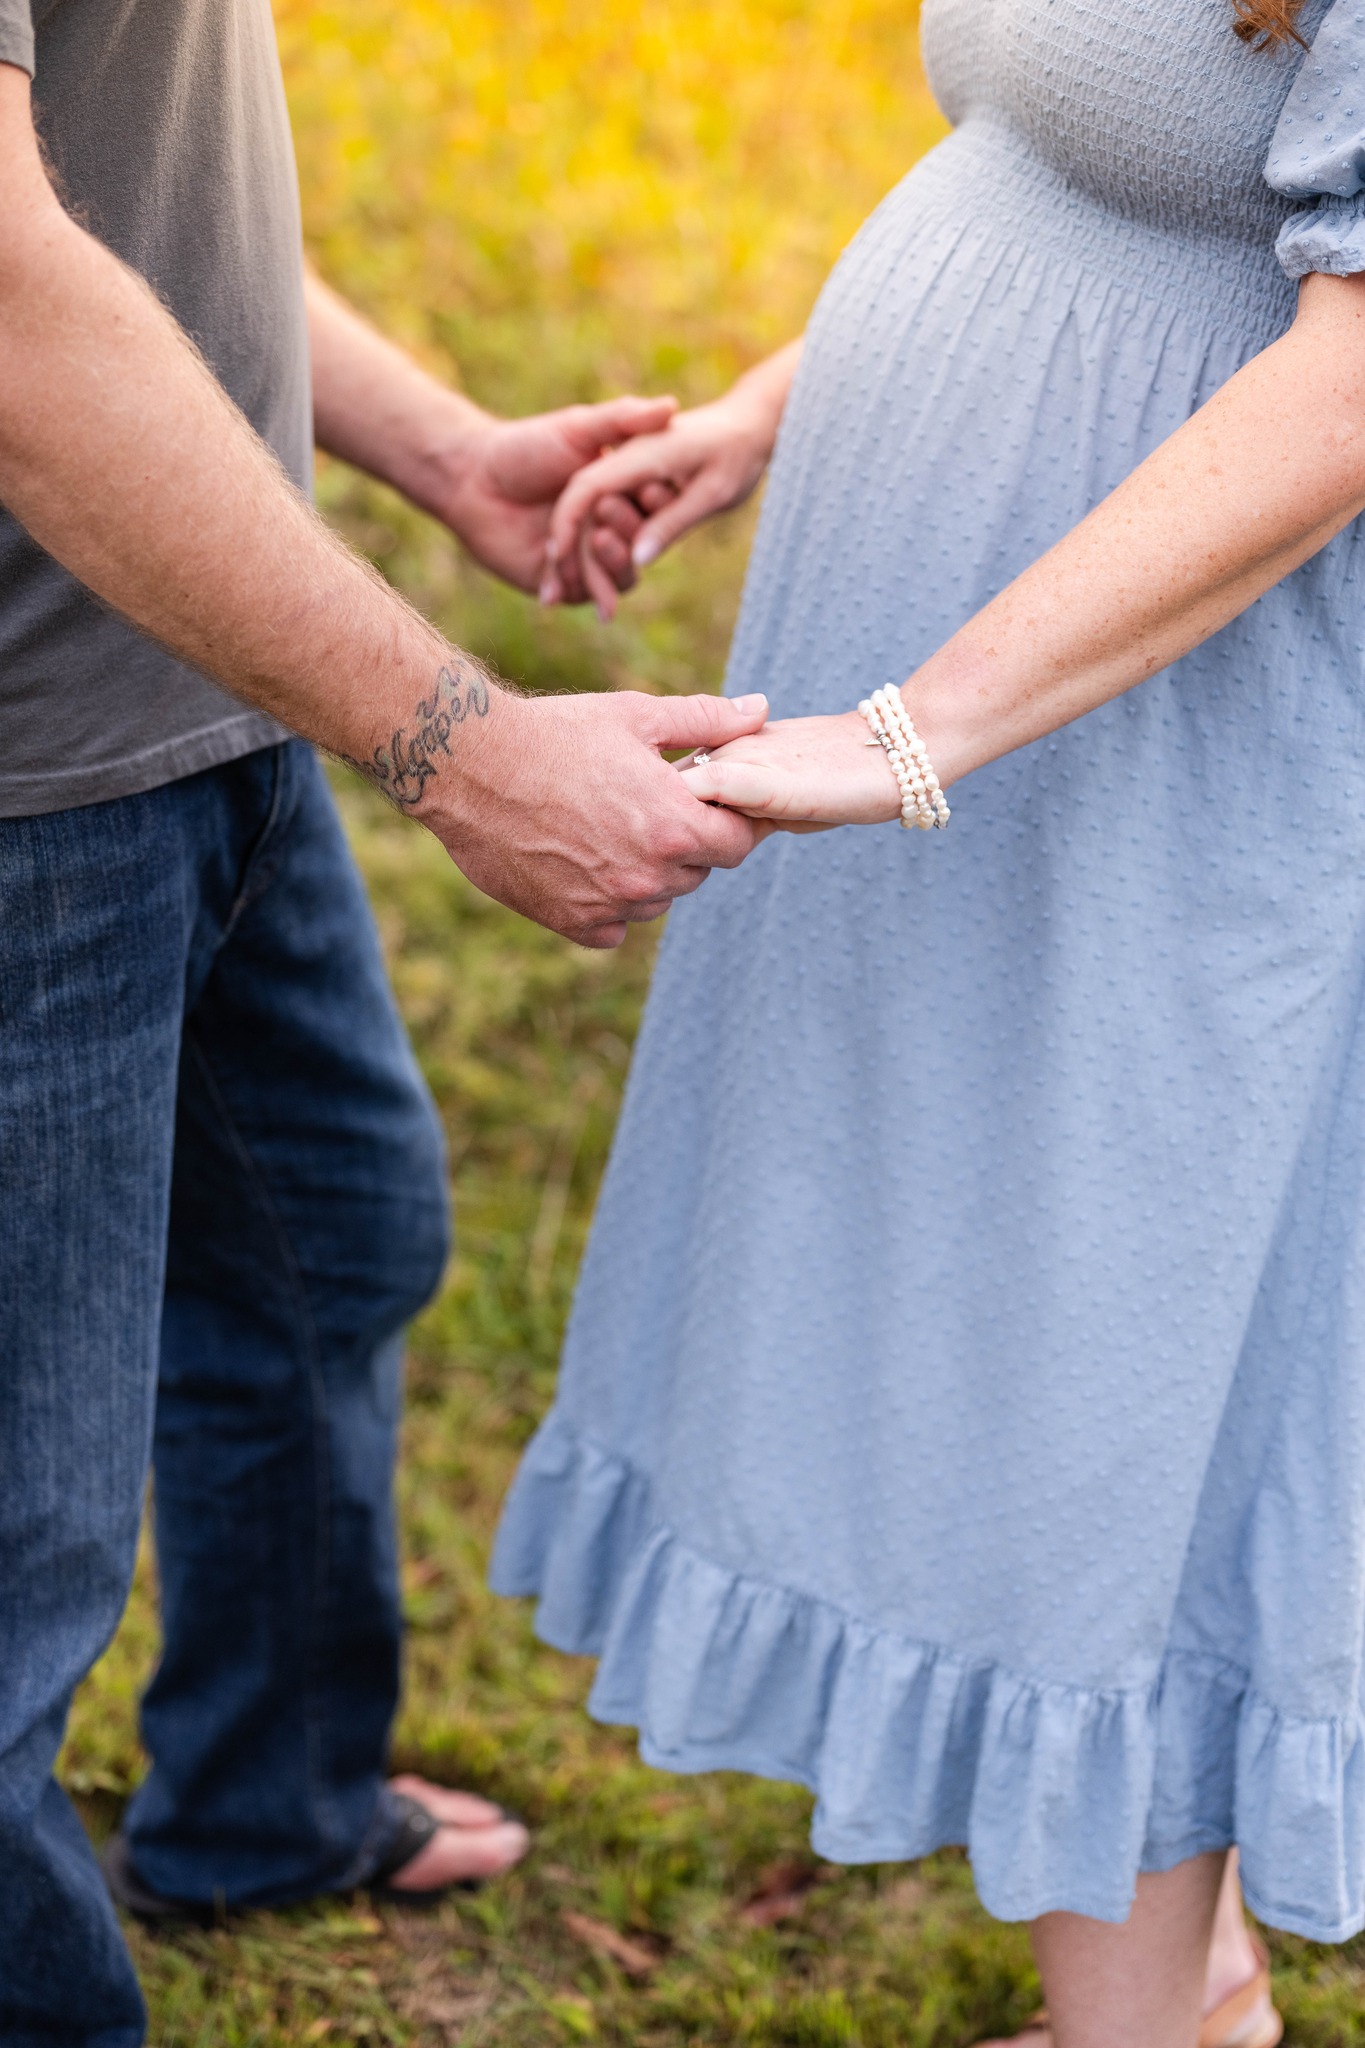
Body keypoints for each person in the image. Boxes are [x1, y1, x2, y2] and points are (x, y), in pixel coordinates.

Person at [493, 0, 1365, 2040]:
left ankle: (1141, 2026)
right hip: (1031, 691)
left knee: (1116, 1356)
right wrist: (778, 407)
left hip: (1172, 730)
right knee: (1025, 1320)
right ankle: (1180, 1988)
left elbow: (1343, 385)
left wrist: (911, 734)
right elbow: (1079, 160)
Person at [0, 2, 774, 2039]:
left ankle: (266, 1800)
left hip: (191, 670)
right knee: (15, 1571)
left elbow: (106, 167)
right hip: (24, 792)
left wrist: (427, 444)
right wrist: (466, 752)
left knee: (326, 1234)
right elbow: (7, 304)